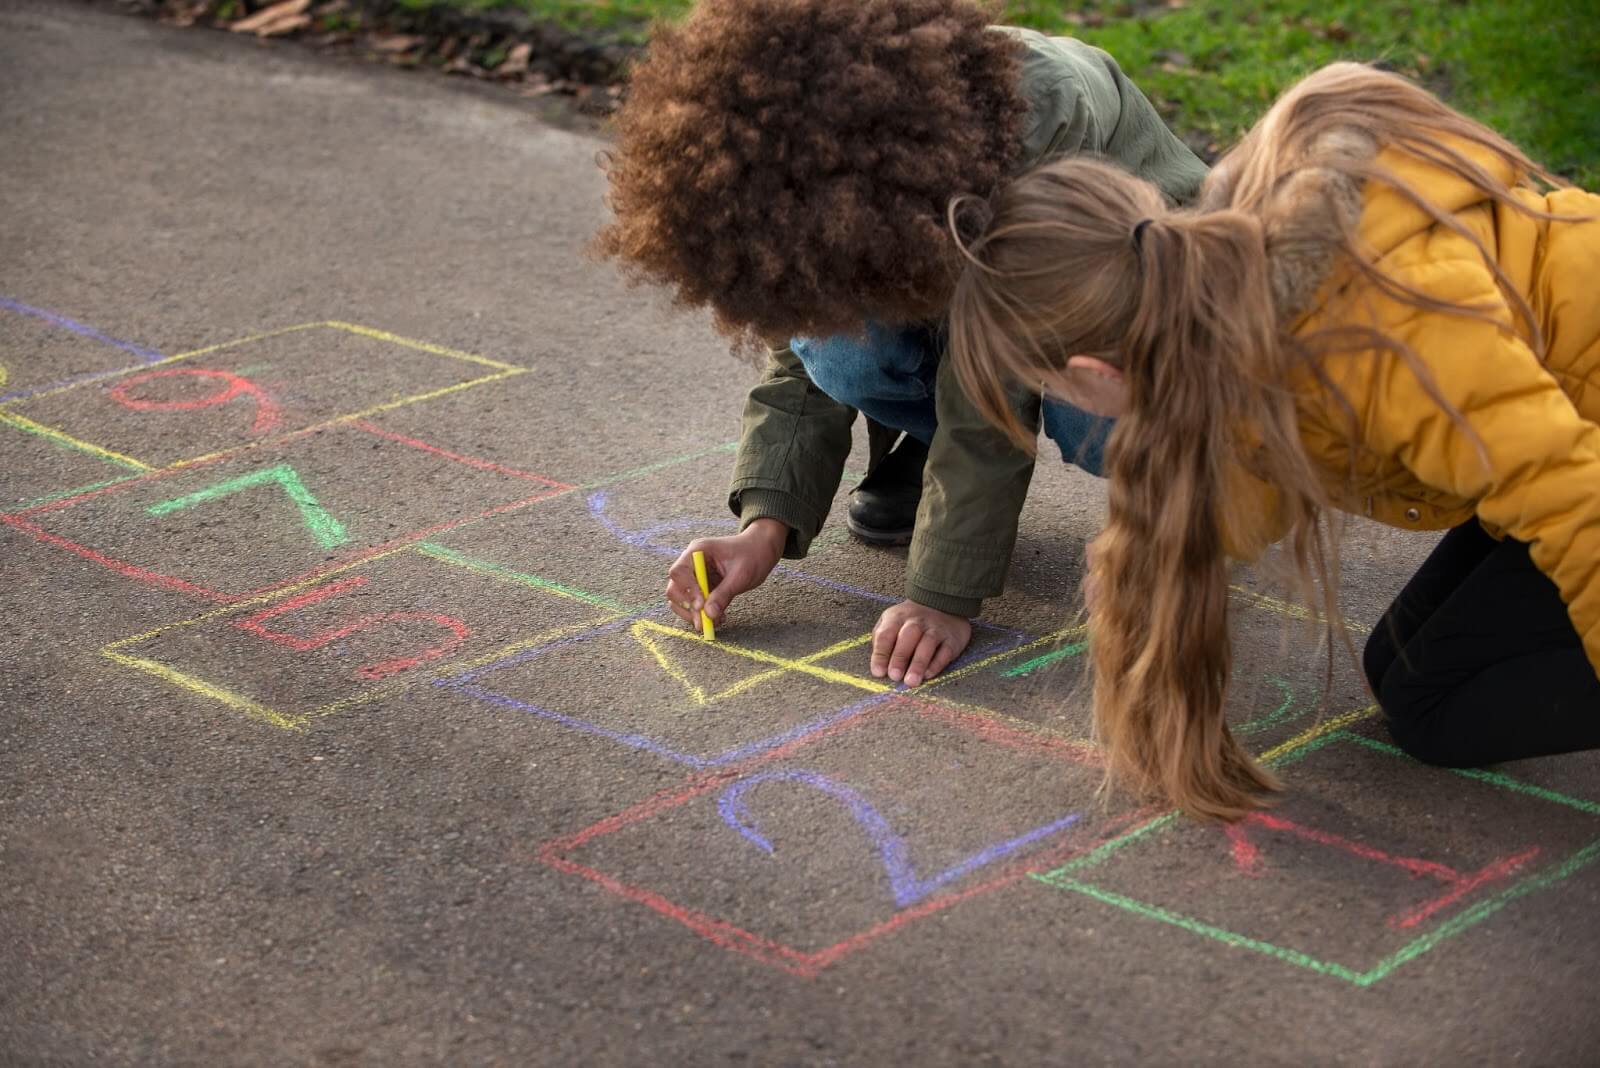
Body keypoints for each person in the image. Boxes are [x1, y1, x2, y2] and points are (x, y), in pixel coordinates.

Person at [946, 62, 1600, 820]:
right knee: (1402, 673)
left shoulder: (1374, 335)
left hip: (1574, 465)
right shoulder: (1236, 291)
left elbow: (1574, 504)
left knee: (1438, 713)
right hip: (1563, 422)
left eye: (1048, 386)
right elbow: (1263, 455)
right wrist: (1161, 557)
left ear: (1093, 370)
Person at [594, 0, 1207, 686]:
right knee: (839, 351)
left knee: (1094, 415)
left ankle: (1192, 491)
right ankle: (922, 450)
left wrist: (942, 596)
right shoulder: (806, 165)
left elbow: (990, 382)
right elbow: (804, 325)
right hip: (966, 282)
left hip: (1134, 313)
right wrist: (765, 523)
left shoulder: (1034, 118)